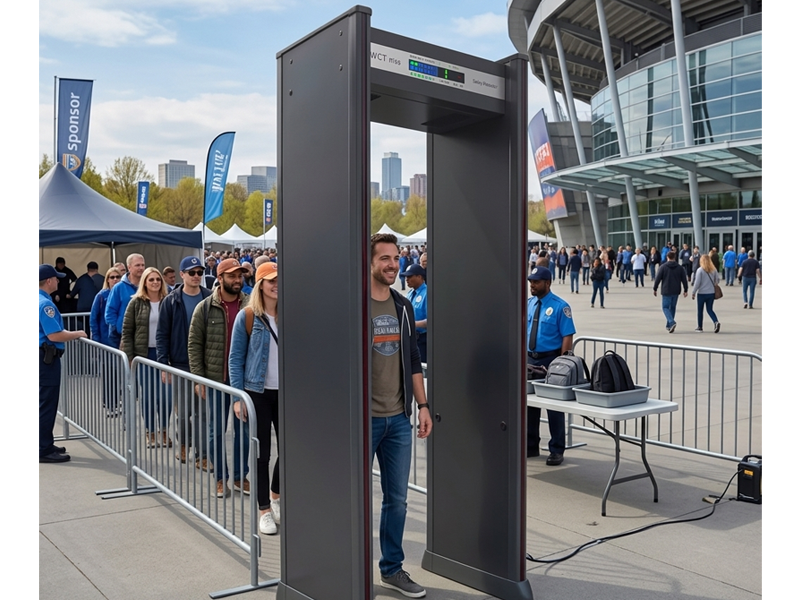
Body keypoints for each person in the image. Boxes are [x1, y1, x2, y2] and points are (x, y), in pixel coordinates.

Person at [369, 233, 432, 598]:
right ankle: (348, 566)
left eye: (396, 258)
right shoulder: (354, 304)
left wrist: (423, 407)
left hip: (398, 419)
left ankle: (391, 569)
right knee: (354, 497)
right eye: (385, 259)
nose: (393, 264)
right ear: (371, 263)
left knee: (398, 499)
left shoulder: (403, 306)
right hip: (362, 420)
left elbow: (412, 361)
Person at [188, 258, 251, 498]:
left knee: (243, 432)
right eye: (233, 276)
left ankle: (238, 476)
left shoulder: (250, 304)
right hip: (215, 380)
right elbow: (194, 345)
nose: (238, 280)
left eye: (240, 276)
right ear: (220, 277)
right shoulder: (204, 307)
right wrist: (199, 379)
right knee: (216, 431)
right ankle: (220, 478)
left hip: (244, 382)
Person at [229, 261, 282, 535]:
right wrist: (239, 397)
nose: (276, 285)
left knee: (289, 451)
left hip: (286, 394)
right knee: (262, 454)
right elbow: (235, 358)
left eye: (279, 280)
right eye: (270, 280)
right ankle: (263, 510)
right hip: (257, 393)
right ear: (260, 284)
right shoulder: (248, 316)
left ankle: (275, 495)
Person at [156, 256, 212, 466]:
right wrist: (164, 364)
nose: (197, 276)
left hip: (205, 365)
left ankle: (202, 454)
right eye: (192, 272)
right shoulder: (171, 300)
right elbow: (162, 334)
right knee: (184, 413)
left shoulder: (209, 297)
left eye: (200, 272)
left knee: (204, 414)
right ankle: (184, 443)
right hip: (180, 364)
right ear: (182, 275)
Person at [526, 267, 575, 466]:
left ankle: (556, 449)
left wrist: (562, 364)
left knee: (554, 408)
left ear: (548, 283)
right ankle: (530, 445)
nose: (532, 285)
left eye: (536, 282)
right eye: (531, 281)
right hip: (530, 361)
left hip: (550, 362)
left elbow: (567, 336)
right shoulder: (528, 304)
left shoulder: (560, 307)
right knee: (529, 405)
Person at [40, 264, 88, 463]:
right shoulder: (45, 305)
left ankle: (44, 442)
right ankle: (42, 449)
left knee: (42, 403)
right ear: (49, 281)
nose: (59, 281)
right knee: (46, 404)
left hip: (41, 357)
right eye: (57, 278)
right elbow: (54, 334)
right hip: (46, 359)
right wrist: (77, 333)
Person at [122, 267, 173, 448]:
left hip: (164, 356)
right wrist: (129, 356)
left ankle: (164, 430)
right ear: (144, 282)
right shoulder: (135, 303)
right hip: (144, 355)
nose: (155, 283)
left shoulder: (169, 301)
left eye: (157, 279)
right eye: (151, 280)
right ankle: (150, 432)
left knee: (166, 396)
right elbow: (127, 332)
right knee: (149, 397)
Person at [105, 253, 146, 349]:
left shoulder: (147, 286)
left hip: (143, 337)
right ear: (129, 267)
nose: (141, 268)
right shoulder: (119, 287)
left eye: (142, 265)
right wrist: (119, 330)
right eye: (137, 265)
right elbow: (110, 312)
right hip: (122, 337)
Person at [653, 251, 688, 333]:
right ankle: (669, 325)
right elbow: (684, 280)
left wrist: (655, 288)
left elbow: (658, 278)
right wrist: (685, 289)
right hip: (676, 290)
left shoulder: (663, 267)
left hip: (666, 290)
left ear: (667, 257)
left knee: (665, 307)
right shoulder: (680, 268)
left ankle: (671, 322)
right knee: (672, 307)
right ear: (675, 257)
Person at [90, 267, 122, 346]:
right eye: (112, 277)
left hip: (120, 336)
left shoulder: (123, 294)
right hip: (104, 337)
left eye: (118, 277)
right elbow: (93, 318)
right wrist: (96, 337)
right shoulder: (101, 296)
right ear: (107, 279)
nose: (115, 279)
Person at [403, 263, 428, 364]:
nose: (406, 279)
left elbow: (432, 321)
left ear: (419, 277)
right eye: (406, 277)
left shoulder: (427, 293)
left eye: (410, 276)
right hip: (411, 338)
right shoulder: (409, 294)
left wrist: (412, 324)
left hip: (423, 340)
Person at [691, 254, 721, 333]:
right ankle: (715, 321)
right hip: (711, 292)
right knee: (709, 309)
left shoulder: (700, 270)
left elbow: (697, 283)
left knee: (700, 310)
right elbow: (717, 280)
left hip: (702, 293)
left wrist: (693, 292)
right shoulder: (714, 270)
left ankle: (700, 327)